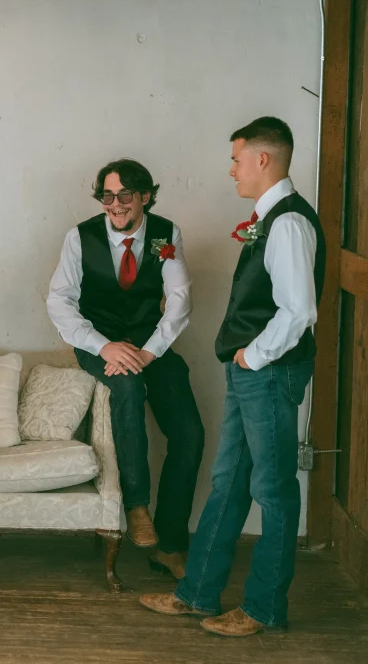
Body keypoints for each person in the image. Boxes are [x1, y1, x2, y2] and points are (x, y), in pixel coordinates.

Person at [140, 117, 325, 637]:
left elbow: (298, 311)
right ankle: (198, 593)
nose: (232, 170)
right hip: (253, 374)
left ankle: (264, 608)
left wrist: (253, 357)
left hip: (267, 372)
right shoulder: (271, 218)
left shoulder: (288, 223)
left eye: (237, 160)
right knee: (228, 484)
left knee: (273, 490)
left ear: (263, 160)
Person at [47, 158, 204, 579]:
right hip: (97, 344)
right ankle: (137, 506)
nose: (114, 205)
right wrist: (104, 347)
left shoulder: (165, 236)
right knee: (129, 390)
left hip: (151, 345)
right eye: (107, 196)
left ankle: (170, 547)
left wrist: (150, 352)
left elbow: (180, 298)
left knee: (189, 433)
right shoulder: (79, 238)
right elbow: (59, 301)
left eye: (124, 195)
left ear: (145, 197)